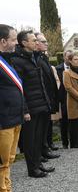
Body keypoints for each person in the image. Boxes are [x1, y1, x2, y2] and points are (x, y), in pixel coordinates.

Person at [0, 24, 32, 192]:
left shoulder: (7, 61)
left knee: (9, 160)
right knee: (2, 162)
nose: (15, 43)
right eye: (13, 39)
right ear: (3, 41)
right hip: (3, 120)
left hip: (14, 118)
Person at [11, 31, 53, 177]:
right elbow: (20, 88)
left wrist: (47, 102)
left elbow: (41, 84)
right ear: (24, 43)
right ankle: (32, 169)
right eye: (33, 40)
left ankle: (38, 164)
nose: (37, 42)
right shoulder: (17, 61)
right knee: (30, 139)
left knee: (39, 138)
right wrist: (25, 109)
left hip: (40, 104)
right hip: (30, 107)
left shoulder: (34, 57)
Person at [34, 33, 60, 160]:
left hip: (48, 97)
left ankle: (45, 148)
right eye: (43, 41)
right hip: (41, 99)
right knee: (40, 128)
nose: (47, 43)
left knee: (45, 126)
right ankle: (41, 151)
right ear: (36, 43)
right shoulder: (37, 59)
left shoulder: (43, 58)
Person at [55, 50, 72, 149]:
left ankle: (75, 140)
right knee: (64, 121)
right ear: (64, 57)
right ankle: (65, 142)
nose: (69, 59)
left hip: (73, 98)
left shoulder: (75, 68)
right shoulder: (58, 69)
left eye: (71, 57)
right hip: (62, 98)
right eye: (68, 57)